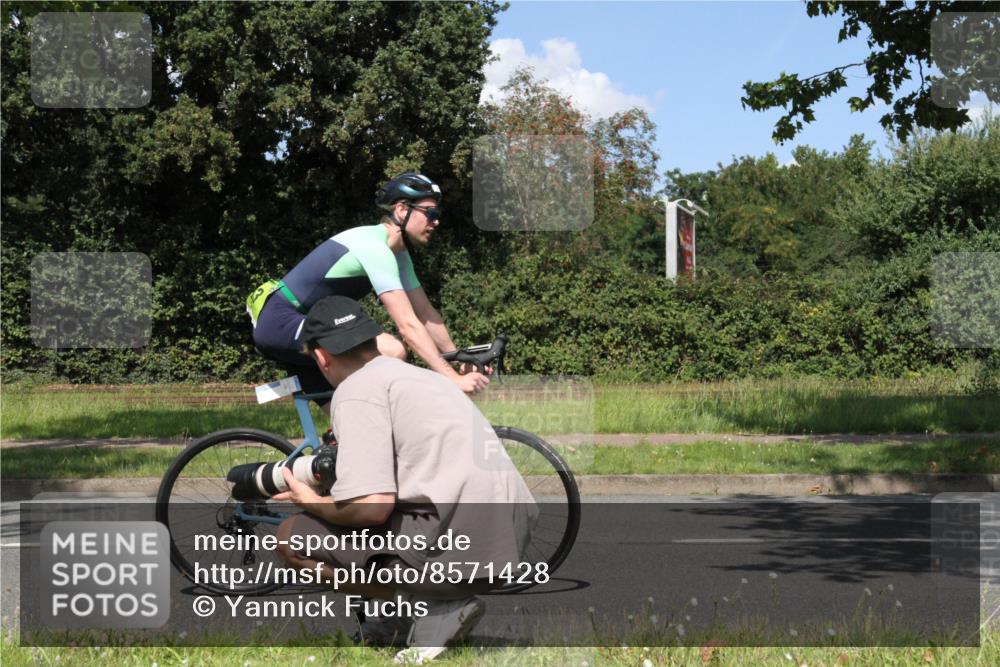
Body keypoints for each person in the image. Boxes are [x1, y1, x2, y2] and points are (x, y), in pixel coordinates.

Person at [271, 296, 538, 663]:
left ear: (321, 358)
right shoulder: (426, 379)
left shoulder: (355, 391)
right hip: (508, 540)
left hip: (462, 553)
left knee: (290, 537)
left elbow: (372, 509)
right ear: (373, 341)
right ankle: (400, 620)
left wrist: (311, 502)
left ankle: (430, 608)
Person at [247, 172, 490, 408]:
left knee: (351, 427)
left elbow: (424, 313)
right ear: (402, 209)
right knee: (392, 350)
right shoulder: (374, 248)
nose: (436, 221)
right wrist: (452, 378)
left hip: (308, 328)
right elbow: (408, 325)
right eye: (430, 212)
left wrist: (457, 358)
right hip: (280, 322)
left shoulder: (399, 256)